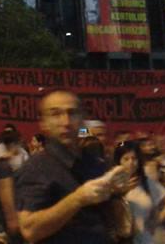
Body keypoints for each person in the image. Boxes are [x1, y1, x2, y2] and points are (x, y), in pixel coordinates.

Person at [15, 89, 129, 243]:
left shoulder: (95, 163)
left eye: (72, 113)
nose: (66, 122)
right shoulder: (36, 167)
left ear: (83, 120)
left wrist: (116, 192)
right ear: (43, 123)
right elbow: (30, 230)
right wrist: (78, 198)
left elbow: (118, 225)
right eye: (55, 114)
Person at [116, 140, 165, 244]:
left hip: (144, 239)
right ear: (119, 161)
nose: (131, 163)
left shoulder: (146, 182)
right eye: (126, 159)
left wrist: (156, 221)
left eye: (134, 158)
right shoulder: (112, 183)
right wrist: (120, 191)